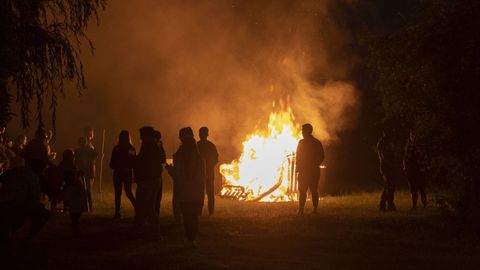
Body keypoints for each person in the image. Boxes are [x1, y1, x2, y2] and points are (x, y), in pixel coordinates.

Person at [166, 127, 205, 246]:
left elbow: (176, 175)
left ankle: (189, 238)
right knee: (193, 217)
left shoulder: (180, 159)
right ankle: (192, 238)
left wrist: (169, 169)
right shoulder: (200, 160)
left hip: (184, 194)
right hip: (196, 194)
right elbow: (202, 178)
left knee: (187, 217)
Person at [0, 159, 50, 240]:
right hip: (16, 205)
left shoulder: (15, 170)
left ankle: (8, 232)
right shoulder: (33, 177)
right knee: (43, 213)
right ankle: (30, 237)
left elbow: (2, 178)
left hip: (3, 203)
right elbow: (35, 198)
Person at [134, 126, 162, 233]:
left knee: (145, 206)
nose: (140, 137)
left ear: (146, 135)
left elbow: (145, 162)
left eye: (142, 135)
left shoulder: (149, 146)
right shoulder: (153, 145)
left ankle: (147, 230)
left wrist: (135, 160)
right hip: (153, 179)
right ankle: (152, 230)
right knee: (148, 206)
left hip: (148, 180)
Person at [296, 123, 324, 215]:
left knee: (311, 191)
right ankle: (302, 211)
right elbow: (298, 156)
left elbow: (321, 156)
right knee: (307, 191)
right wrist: (298, 168)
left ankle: (309, 210)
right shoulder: (313, 142)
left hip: (310, 171)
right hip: (309, 171)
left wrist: (313, 164)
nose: (302, 132)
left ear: (309, 131)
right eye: (302, 130)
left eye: (303, 130)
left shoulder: (309, 143)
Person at [109, 130, 136, 219]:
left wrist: (117, 166)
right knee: (128, 192)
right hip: (127, 173)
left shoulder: (116, 148)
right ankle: (138, 208)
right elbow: (133, 162)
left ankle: (117, 212)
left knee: (118, 193)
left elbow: (111, 163)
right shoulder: (131, 148)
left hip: (118, 173)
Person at [378, 127, 404, 211]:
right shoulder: (382, 143)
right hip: (386, 167)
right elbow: (384, 156)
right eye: (389, 133)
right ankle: (387, 204)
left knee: (390, 186)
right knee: (389, 185)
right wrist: (391, 164)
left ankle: (385, 204)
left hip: (391, 167)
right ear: (385, 133)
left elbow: (394, 154)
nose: (390, 135)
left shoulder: (390, 142)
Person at [197, 126, 218, 215]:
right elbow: (216, 160)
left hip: (199, 174)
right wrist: (210, 166)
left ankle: (199, 212)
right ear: (207, 134)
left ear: (200, 134)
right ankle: (211, 212)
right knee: (210, 193)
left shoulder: (196, 145)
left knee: (199, 193)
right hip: (209, 173)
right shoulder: (211, 145)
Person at [403, 131, 427, 209]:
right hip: (412, 170)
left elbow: (424, 157)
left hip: (420, 170)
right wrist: (405, 168)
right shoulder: (408, 146)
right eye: (411, 135)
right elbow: (405, 158)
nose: (413, 136)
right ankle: (414, 205)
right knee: (413, 189)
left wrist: (423, 167)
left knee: (422, 189)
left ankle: (424, 205)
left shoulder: (420, 146)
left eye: (414, 135)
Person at [75, 137, 98, 212]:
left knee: (88, 191)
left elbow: (95, 155)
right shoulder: (78, 151)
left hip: (88, 173)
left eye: (83, 143)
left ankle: (89, 208)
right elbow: (76, 161)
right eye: (81, 144)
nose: (82, 145)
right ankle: (83, 207)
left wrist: (92, 149)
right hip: (80, 172)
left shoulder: (89, 151)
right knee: (82, 190)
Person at [63, 170, 87, 238]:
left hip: (75, 207)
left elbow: (66, 198)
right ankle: (77, 233)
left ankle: (77, 234)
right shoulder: (78, 185)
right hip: (79, 206)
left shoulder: (70, 188)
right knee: (75, 221)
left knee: (74, 221)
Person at [153, 130, 166, 217]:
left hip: (154, 173)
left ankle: (154, 212)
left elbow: (163, 159)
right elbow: (163, 159)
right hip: (157, 172)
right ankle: (155, 211)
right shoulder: (159, 146)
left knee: (155, 194)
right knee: (157, 194)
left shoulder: (156, 146)